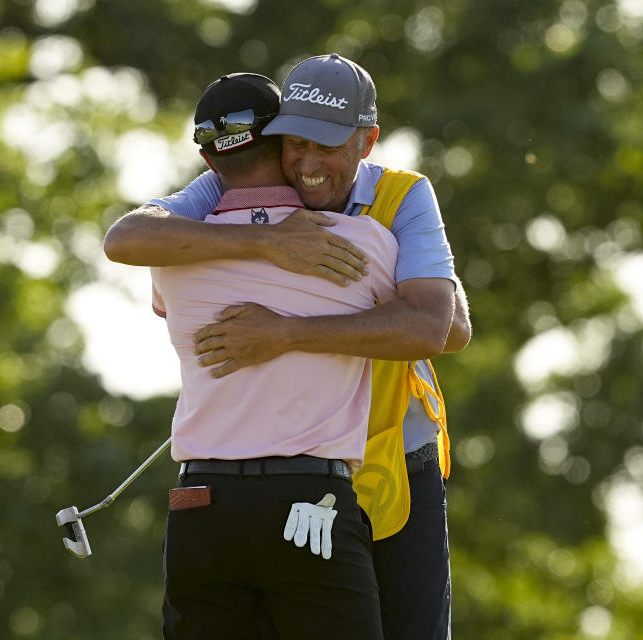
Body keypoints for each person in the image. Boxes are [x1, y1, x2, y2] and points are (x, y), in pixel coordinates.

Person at [106, 54, 471, 640]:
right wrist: (267, 241)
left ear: (367, 142)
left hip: (397, 453)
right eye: (294, 143)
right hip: (305, 472)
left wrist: (285, 332)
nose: (306, 164)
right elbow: (126, 237)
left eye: (326, 146)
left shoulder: (402, 198)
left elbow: (443, 330)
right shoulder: (235, 187)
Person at [155, 72, 397, 639]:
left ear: (211, 164)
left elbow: (161, 296)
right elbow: (442, 325)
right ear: (286, 147)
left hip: (199, 506)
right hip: (308, 502)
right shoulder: (364, 243)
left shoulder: (168, 261)